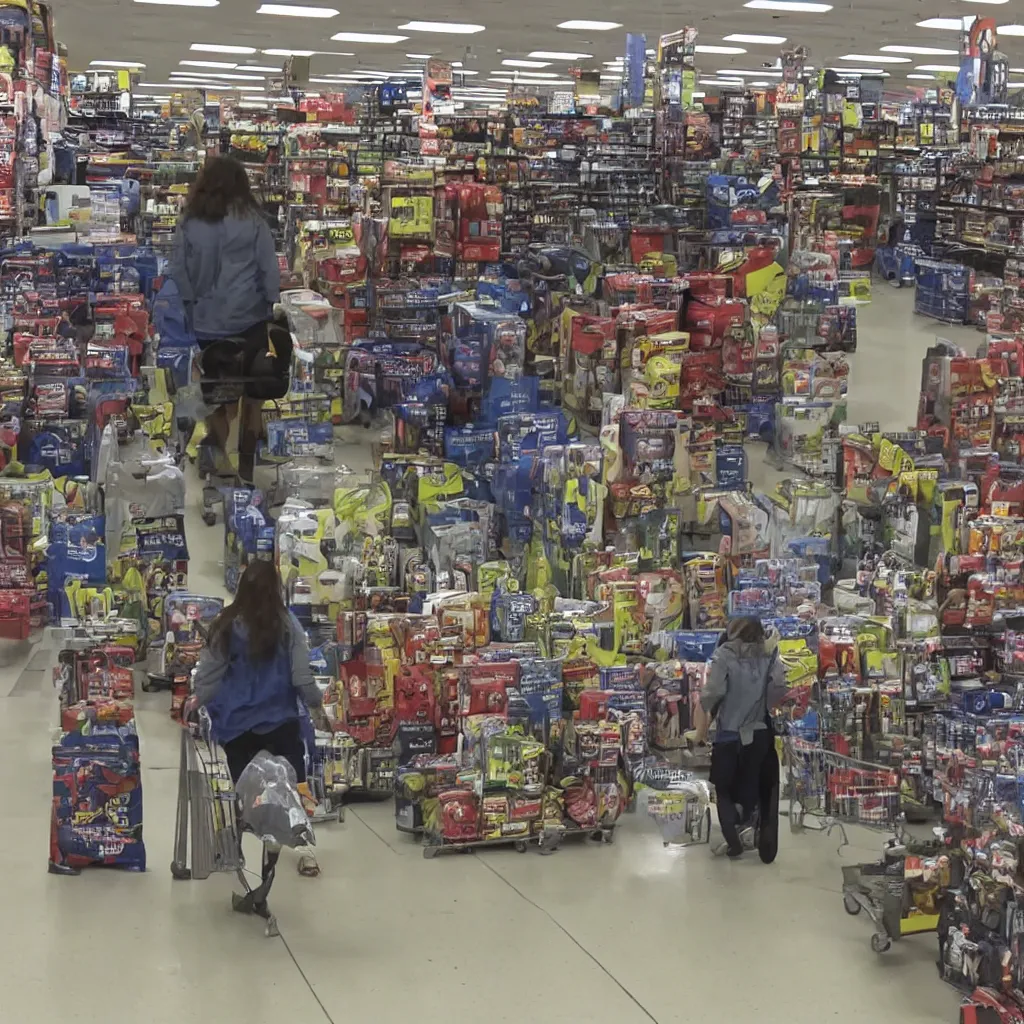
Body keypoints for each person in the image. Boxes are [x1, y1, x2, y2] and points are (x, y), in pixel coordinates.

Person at [168, 155, 284, 483]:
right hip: (250, 320)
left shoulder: (191, 220)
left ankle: (217, 450)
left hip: (208, 325)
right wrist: (270, 303)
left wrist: (192, 306)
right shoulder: (253, 219)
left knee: (216, 388)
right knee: (254, 384)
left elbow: (178, 268)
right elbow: (268, 269)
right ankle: (249, 443)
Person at [191, 559, 326, 795]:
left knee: (245, 800)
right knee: (292, 799)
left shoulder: (225, 624)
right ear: (276, 589)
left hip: (236, 729)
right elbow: (303, 678)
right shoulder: (288, 624)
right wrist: (317, 706)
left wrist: (195, 703)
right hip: (281, 727)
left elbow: (207, 679)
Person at [698, 616, 787, 861]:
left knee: (723, 789)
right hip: (758, 734)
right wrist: (766, 705)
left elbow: (713, 692)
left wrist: (704, 711)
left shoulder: (724, 654)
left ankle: (733, 840)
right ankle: (750, 820)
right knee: (757, 784)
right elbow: (779, 685)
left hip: (728, 735)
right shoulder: (770, 654)